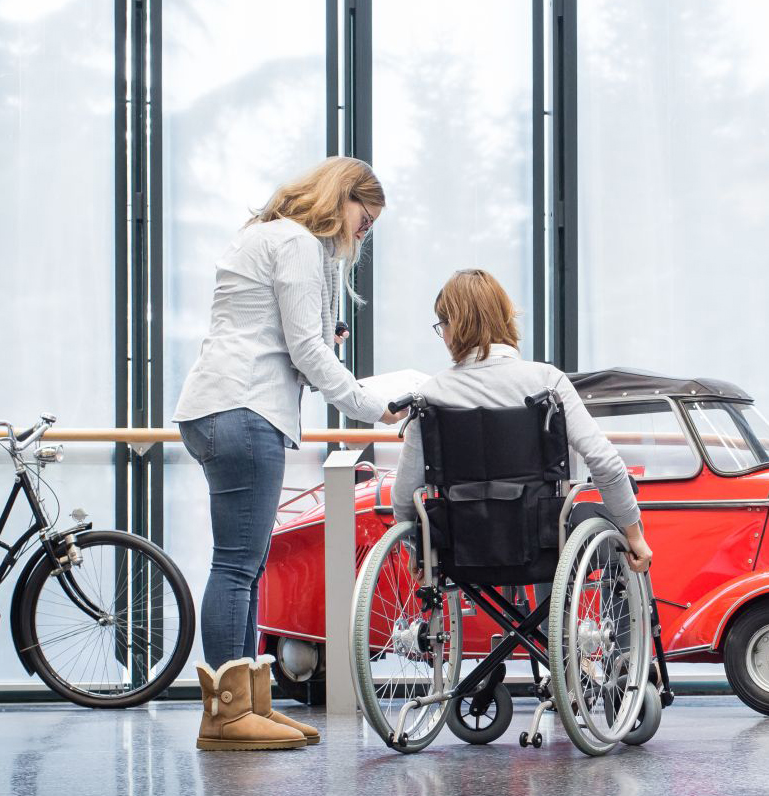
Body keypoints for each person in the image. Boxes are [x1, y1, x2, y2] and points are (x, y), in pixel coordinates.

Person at [174, 157, 406, 751]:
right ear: (342, 198)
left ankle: (251, 705)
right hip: (246, 409)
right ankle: (227, 716)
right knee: (235, 566)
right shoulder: (302, 245)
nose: (364, 233)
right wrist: (374, 406)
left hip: (214, 406)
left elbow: (272, 331)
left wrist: (322, 338)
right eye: (365, 218)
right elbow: (305, 349)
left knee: (244, 566)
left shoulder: (262, 234)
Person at [391, 269, 652, 574]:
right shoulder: (546, 382)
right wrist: (634, 535)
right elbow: (605, 462)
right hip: (542, 546)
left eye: (442, 325)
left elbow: (404, 494)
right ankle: (585, 620)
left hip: (461, 549)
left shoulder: (430, 395)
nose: (443, 336)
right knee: (575, 523)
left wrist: (418, 548)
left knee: (554, 524)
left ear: (456, 325)